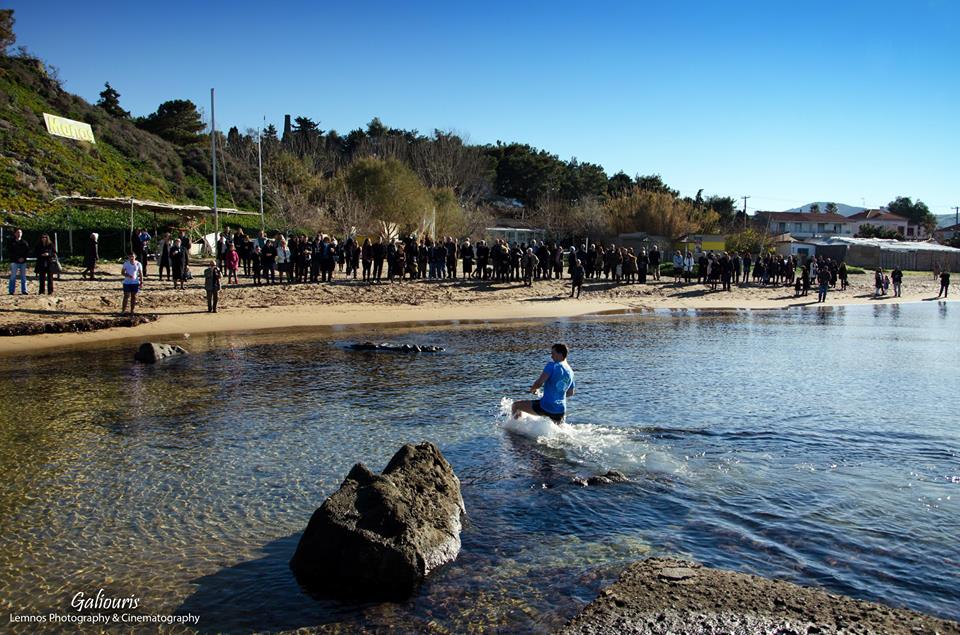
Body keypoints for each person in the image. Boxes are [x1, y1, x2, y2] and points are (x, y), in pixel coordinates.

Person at [511, 343, 576, 423]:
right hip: (560, 409)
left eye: (553, 353)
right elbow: (571, 392)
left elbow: (539, 383)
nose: (551, 356)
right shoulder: (571, 372)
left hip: (546, 406)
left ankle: (517, 430)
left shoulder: (552, 366)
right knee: (559, 431)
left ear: (560, 354)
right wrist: (556, 395)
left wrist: (533, 389)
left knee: (516, 406)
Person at [8, 228, 29, 294]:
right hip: (14, 261)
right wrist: (17, 258)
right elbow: (10, 252)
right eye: (17, 232)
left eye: (20, 232)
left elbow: (27, 252)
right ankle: (11, 291)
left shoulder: (24, 242)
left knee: (23, 277)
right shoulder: (12, 242)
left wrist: (24, 258)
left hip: (23, 262)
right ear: (15, 234)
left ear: (22, 234)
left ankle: (24, 290)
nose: (19, 234)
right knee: (13, 276)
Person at [120, 251, 143, 316]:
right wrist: (127, 275)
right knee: (126, 296)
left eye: (132, 256)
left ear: (135, 257)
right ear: (128, 257)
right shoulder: (126, 263)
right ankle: (123, 310)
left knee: (134, 297)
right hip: (127, 282)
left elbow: (141, 274)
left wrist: (141, 282)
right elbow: (122, 272)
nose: (131, 257)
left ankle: (132, 311)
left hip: (135, 282)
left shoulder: (138, 264)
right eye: (130, 256)